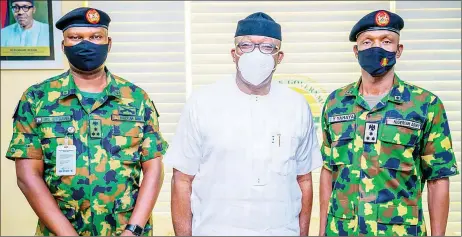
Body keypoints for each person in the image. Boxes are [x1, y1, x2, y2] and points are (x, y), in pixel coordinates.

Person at [5, 7, 168, 236]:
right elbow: (27, 176)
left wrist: (133, 230)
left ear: (108, 44)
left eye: (95, 37)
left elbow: (154, 170)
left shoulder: (137, 98)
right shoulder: (36, 98)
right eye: (76, 38)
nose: (86, 44)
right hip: (60, 231)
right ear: (63, 46)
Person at [165, 12, 322, 236]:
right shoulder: (202, 102)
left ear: (280, 57)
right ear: (234, 53)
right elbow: (181, 180)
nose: (256, 53)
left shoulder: (297, 105)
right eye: (246, 45)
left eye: (267, 47)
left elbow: (304, 180)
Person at [319, 10, 459, 236]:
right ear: (356, 51)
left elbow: (438, 179)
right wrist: (322, 232)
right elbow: (328, 171)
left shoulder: (425, 105)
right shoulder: (336, 102)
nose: (377, 48)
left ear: (399, 50)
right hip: (342, 231)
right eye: (367, 42)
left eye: (386, 41)